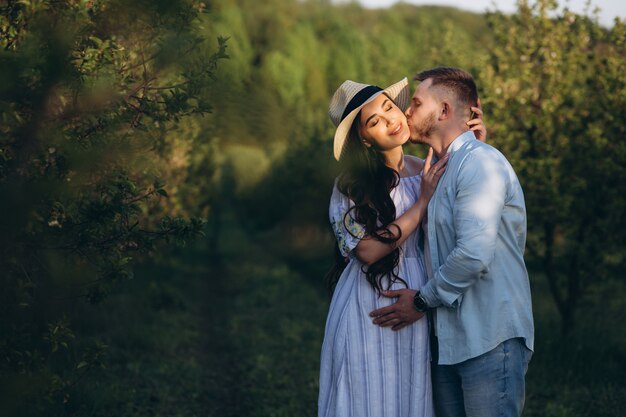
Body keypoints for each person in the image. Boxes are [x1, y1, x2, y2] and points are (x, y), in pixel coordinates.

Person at [369, 67, 535, 417]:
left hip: (488, 337)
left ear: (444, 112)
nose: (406, 113)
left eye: (415, 103)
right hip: (449, 341)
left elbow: (473, 255)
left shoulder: (480, 163)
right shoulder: (441, 171)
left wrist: (420, 302)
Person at [318, 77, 485, 417]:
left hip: (418, 300)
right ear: (363, 139)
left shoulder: (430, 167)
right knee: (366, 397)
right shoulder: (349, 185)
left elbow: (468, 218)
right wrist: (421, 203)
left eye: (389, 108)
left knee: (408, 396)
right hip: (367, 305)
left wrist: (475, 149)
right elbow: (366, 251)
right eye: (374, 121)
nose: (390, 120)